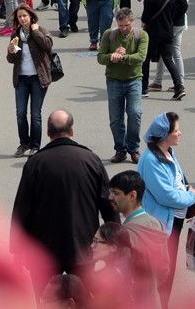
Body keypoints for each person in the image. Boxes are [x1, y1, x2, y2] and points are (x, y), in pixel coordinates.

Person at [11, 110, 117, 294]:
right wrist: (116, 241)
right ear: (72, 131)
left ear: (48, 132)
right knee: (84, 300)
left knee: (47, 300)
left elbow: (22, 208)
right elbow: (108, 204)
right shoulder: (91, 160)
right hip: (84, 248)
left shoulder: (35, 163)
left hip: (44, 253)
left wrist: (17, 250)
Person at [138, 113, 195, 308]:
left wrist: (190, 190)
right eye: (176, 131)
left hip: (172, 222)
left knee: (168, 270)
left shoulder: (168, 151)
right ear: (164, 135)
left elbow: (178, 181)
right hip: (161, 226)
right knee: (161, 274)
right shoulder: (151, 160)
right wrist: (192, 197)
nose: (180, 133)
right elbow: (167, 196)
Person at [108, 171, 169, 309]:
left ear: (132, 196)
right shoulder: (157, 224)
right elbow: (164, 268)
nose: (110, 197)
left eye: (116, 193)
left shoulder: (124, 234)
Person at [97, 8, 148, 164]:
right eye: (120, 26)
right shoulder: (109, 34)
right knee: (115, 118)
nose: (124, 29)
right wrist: (113, 56)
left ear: (132, 21)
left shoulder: (142, 35)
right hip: (114, 80)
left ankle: (133, 148)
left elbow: (141, 57)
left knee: (134, 113)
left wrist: (123, 57)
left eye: (126, 25)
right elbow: (101, 57)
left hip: (134, 79)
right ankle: (120, 149)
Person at [6, 4, 54, 157]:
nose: (22, 19)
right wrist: (10, 51)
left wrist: (35, 30)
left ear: (31, 17)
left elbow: (48, 44)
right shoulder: (16, 36)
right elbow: (11, 60)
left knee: (35, 114)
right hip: (21, 79)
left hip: (38, 79)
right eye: (19, 17)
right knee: (20, 114)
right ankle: (24, 143)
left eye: (25, 16)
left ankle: (35, 146)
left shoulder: (41, 31)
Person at [142, 0, 187, 97]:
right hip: (167, 31)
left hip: (153, 32)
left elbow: (146, 17)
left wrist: (144, 23)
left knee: (145, 60)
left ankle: (144, 88)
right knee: (168, 60)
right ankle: (179, 87)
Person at [90, 222, 133, 299]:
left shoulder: (105, 278)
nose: (92, 245)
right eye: (93, 240)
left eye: (97, 241)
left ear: (113, 247)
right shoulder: (133, 262)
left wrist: (94, 274)